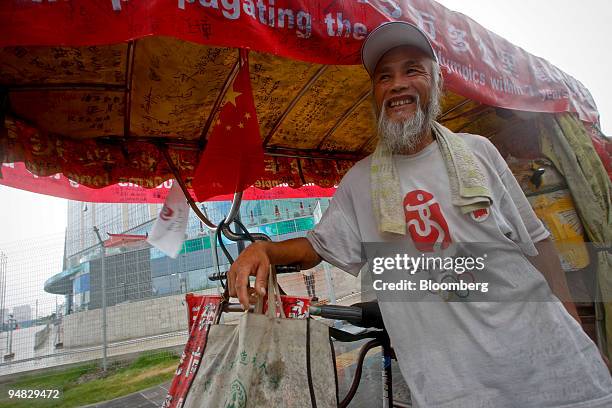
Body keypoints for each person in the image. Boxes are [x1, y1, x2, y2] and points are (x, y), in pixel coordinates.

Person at [228, 21, 612, 407]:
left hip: (550, 362)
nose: (397, 84)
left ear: (436, 82)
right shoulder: (360, 183)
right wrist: (265, 251)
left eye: (412, 70)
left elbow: (538, 243)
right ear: (376, 95)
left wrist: (574, 327)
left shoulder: (478, 152)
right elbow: (318, 246)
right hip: (456, 388)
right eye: (384, 77)